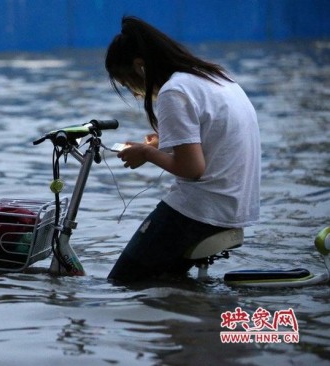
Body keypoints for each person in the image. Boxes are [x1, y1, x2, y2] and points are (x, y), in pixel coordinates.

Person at [105, 16, 261, 283]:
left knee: (123, 282)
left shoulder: (173, 92)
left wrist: (146, 153)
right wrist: (160, 142)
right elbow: (213, 136)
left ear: (140, 67)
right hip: (234, 204)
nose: (133, 93)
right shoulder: (213, 76)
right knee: (164, 280)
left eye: (127, 83)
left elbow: (192, 169)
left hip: (201, 210)